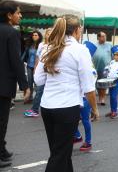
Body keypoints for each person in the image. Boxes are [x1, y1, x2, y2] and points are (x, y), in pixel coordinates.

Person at [34, 15, 99, 172]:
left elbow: (38, 80)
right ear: (77, 30)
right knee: (59, 155)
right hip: (67, 107)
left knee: (61, 152)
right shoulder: (80, 50)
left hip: (47, 107)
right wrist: (95, 109)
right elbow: (88, 86)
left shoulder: (48, 48)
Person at [0, 0, 30, 168]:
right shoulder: (11, 33)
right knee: (1, 122)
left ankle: (2, 150)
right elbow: (16, 61)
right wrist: (25, 85)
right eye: (18, 12)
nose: (20, 15)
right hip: (3, 85)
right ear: (9, 15)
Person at [73, 41, 98, 152]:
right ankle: (77, 136)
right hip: (74, 96)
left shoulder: (91, 69)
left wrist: (94, 107)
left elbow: (89, 87)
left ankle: (88, 142)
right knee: (72, 118)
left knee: (85, 120)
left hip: (84, 98)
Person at [24, 28, 52, 117]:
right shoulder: (41, 45)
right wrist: (36, 68)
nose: (49, 35)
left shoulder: (55, 45)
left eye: (51, 34)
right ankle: (35, 109)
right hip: (41, 71)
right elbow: (38, 58)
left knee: (43, 90)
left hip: (50, 72)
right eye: (48, 34)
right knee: (39, 89)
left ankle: (36, 110)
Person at [104, 46, 118, 119]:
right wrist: (105, 71)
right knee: (111, 96)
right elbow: (107, 70)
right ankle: (112, 111)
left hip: (117, 81)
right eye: (116, 55)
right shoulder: (111, 62)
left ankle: (115, 112)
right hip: (110, 81)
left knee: (114, 96)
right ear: (113, 55)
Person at [21, 31, 43, 104]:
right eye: (33, 35)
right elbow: (24, 54)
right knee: (30, 82)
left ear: (39, 36)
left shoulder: (41, 45)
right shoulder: (29, 45)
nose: (34, 36)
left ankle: (38, 99)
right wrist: (19, 61)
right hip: (29, 66)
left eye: (36, 35)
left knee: (37, 82)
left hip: (37, 67)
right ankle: (30, 97)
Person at [93, 31, 112, 106]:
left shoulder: (109, 45)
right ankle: (100, 98)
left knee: (103, 84)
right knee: (97, 84)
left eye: (105, 36)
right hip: (95, 68)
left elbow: (113, 56)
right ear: (98, 37)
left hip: (105, 68)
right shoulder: (94, 45)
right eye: (102, 36)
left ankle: (103, 98)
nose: (104, 38)